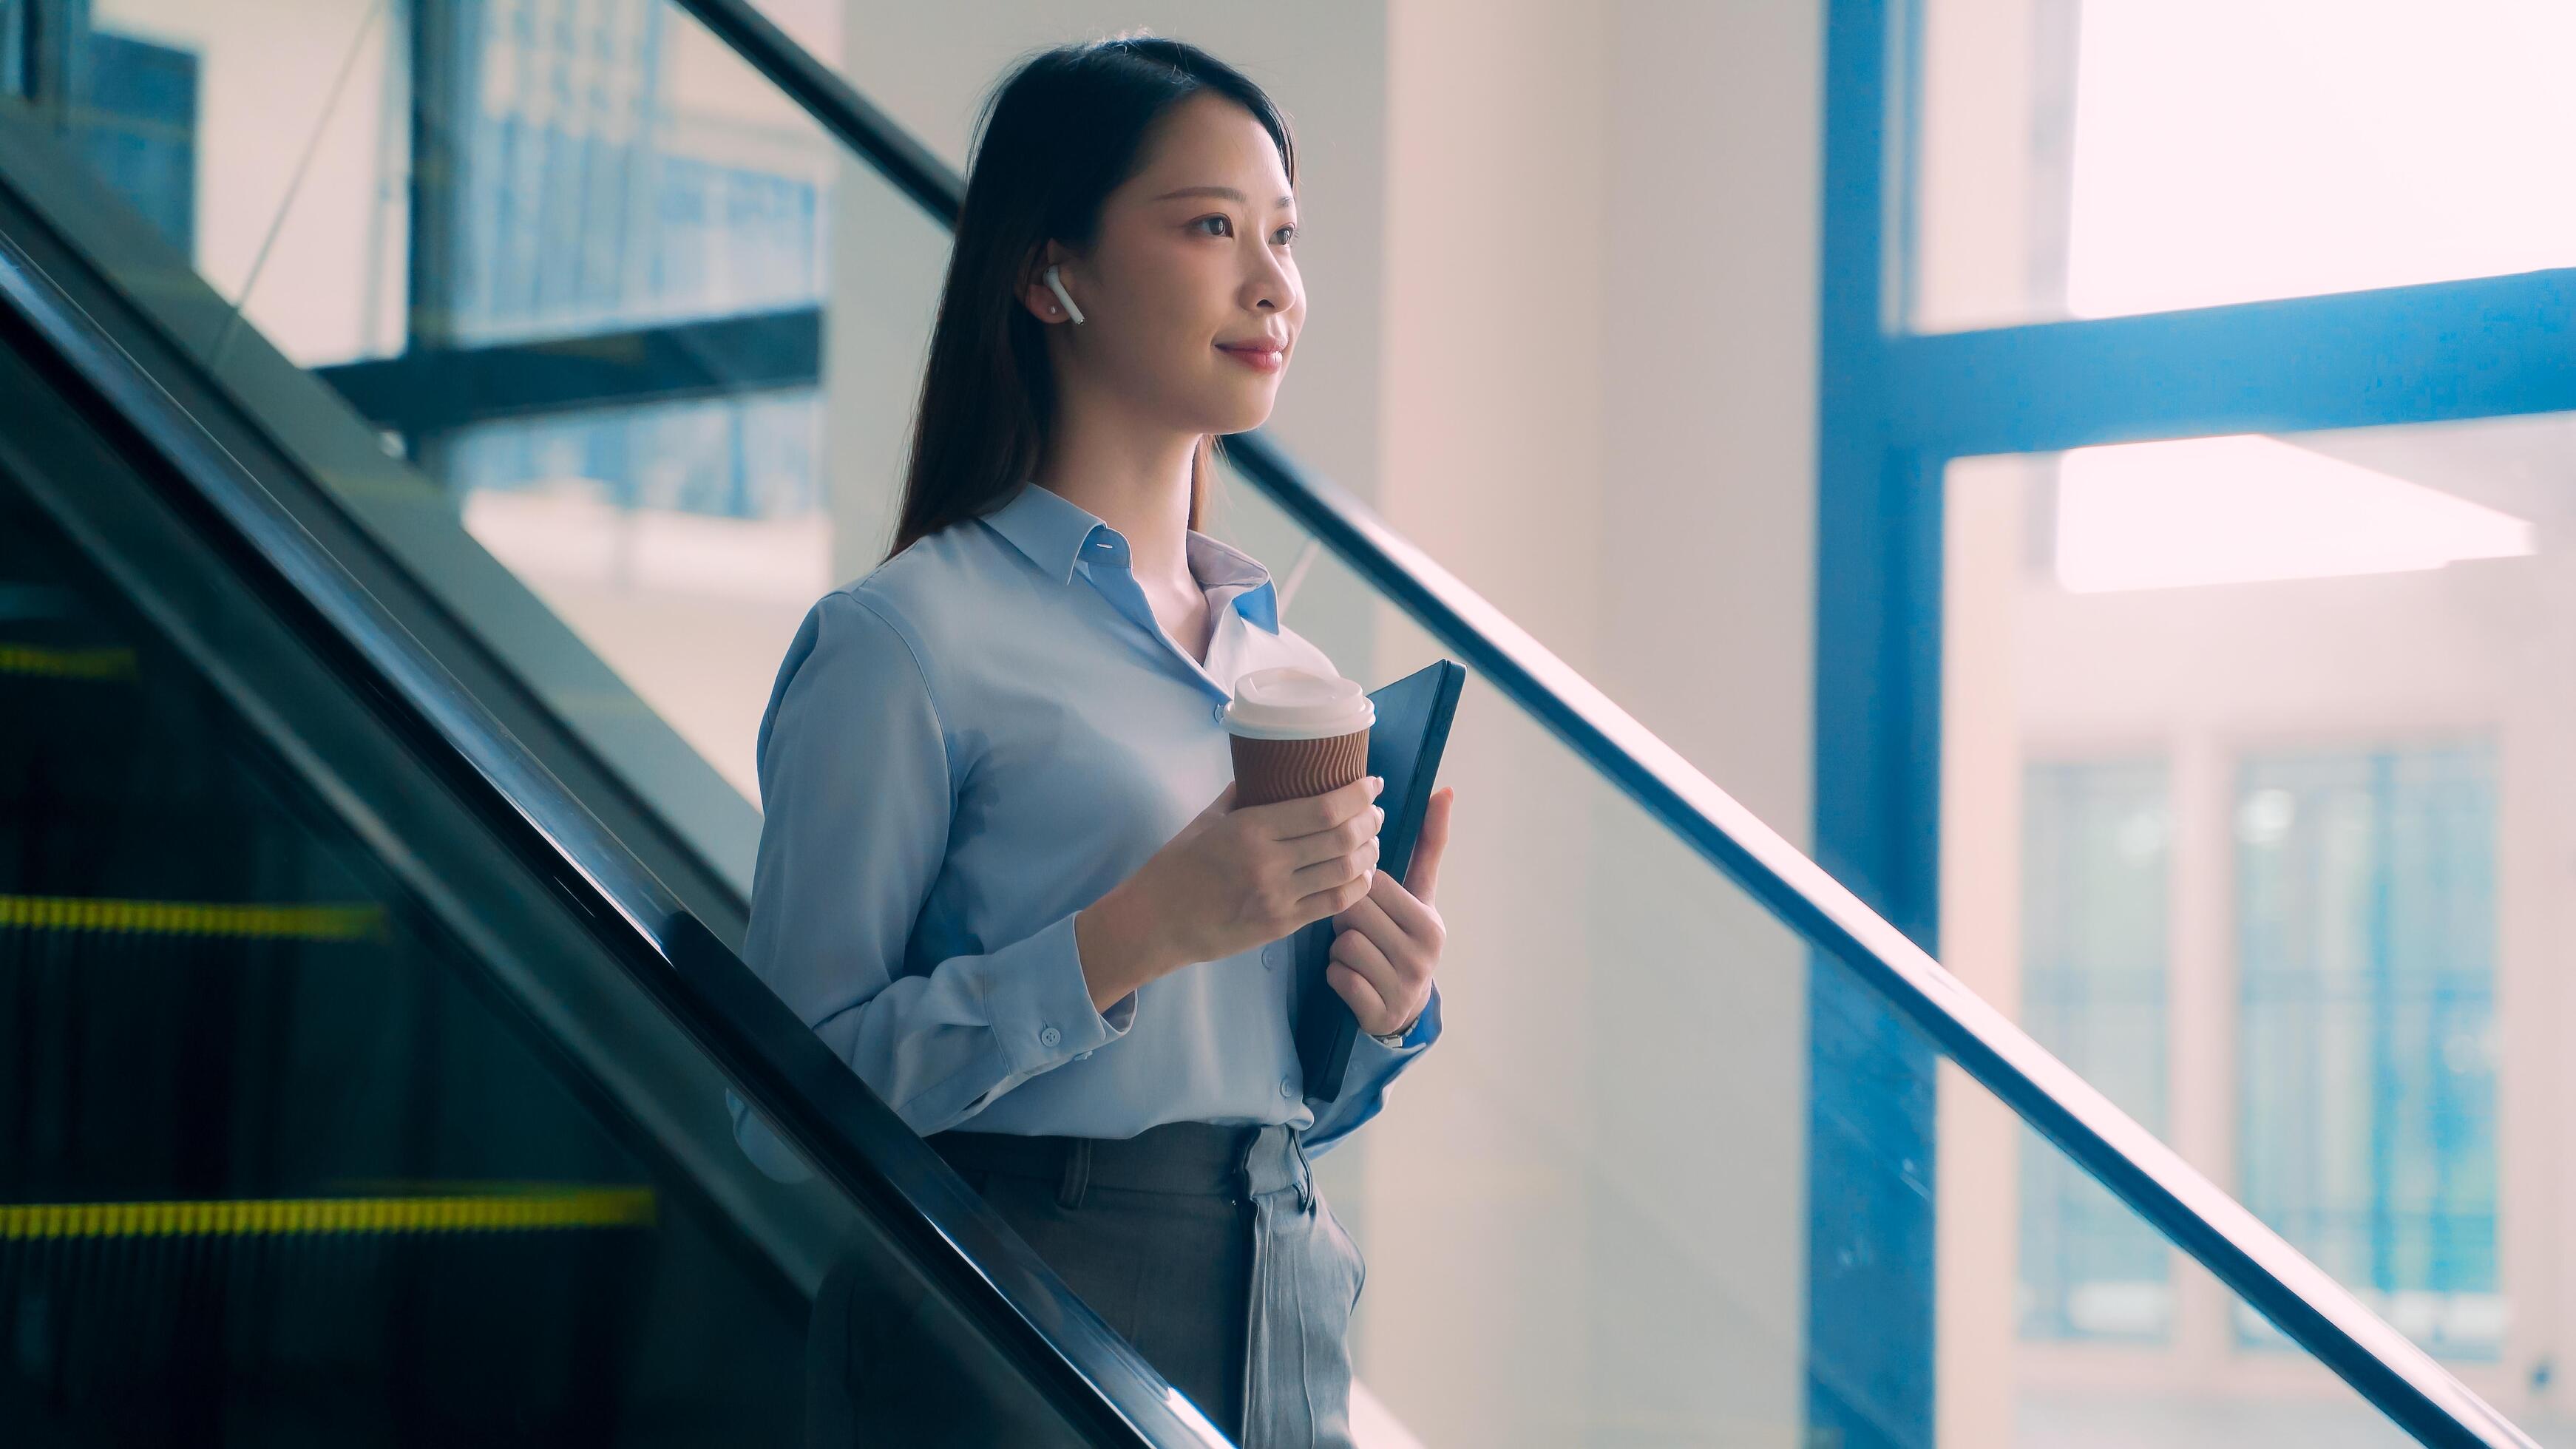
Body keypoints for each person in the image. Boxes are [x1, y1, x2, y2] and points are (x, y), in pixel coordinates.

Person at [733, 32, 1457, 1449]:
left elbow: (1277, 1096)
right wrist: (1125, 939)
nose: (1274, 283)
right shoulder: (905, 643)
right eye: (1209, 227)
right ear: (1049, 271)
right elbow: (783, 1110)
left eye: (1285, 235)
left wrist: (1385, 1009)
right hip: (1010, 1297)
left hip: (1280, 1288)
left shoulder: (1290, 672)